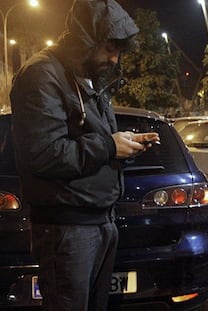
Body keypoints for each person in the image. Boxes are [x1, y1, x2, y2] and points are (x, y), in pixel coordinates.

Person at [10, 1, 160, 310]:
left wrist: (125, 146)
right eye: (109, 48)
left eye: (119, 50)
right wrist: (108, 146)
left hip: (98, 222)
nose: (115, 58)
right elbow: (44, 154)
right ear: (85, 40)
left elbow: (94, 142)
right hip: (67, 229)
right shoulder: (42, 75)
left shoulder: (86, 75)